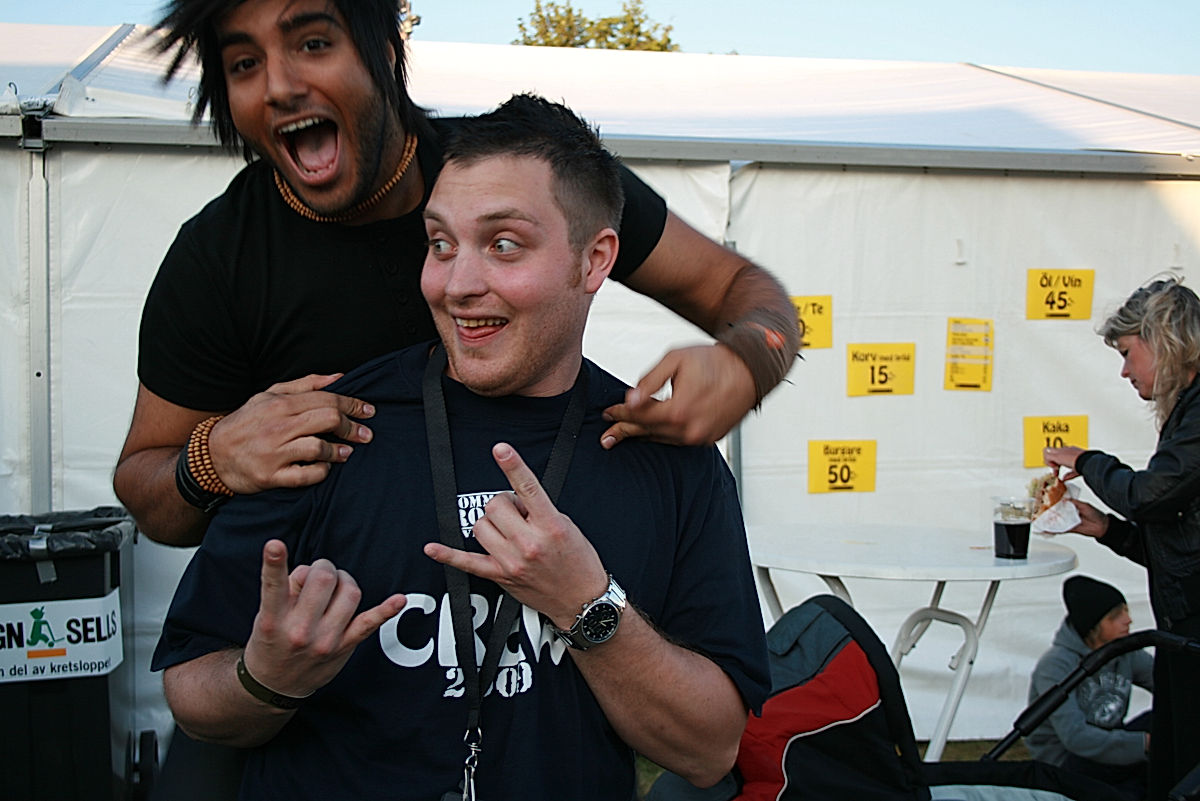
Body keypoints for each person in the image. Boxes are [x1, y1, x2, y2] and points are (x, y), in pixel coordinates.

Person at [150, 92, 771, 801]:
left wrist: (587, 604)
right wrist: (267, 678)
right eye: (440, 243)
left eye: (503, 245)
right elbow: (189, 689)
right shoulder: (324, 427)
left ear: (593, 260)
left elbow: (710, 746)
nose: (457, 285)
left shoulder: (667, 459)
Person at [113, 0, 800, 549]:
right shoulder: (218, 255)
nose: (281, 85)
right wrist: (211, 460)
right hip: (323, 668)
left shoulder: (516, 172)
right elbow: (148, 494)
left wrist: (751, 360)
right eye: (242, 64)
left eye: (314, 43)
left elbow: (749, 297)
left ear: (384, 50)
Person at [1044, 277, 1200, 801]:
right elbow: (1180, 548)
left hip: (1194, 638)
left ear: (1166, 339)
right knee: (1171, 772)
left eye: (1130, 353)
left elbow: (1152, 495)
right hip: (1184, 634)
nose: (1125, 370)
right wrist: (1107, 530)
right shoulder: (1187, 412)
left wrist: (1087, 461)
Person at [1026, 576, 1153, 801]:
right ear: (1093, 626)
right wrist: (1144, 744)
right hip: (1066, 761)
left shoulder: (1124, 651)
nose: (1128, 620)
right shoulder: (1055, 665)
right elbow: (1076, 737)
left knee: (1165, 719)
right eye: (1116, 616)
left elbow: (1169, 681)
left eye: (1126, 611)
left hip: (1108, 745)